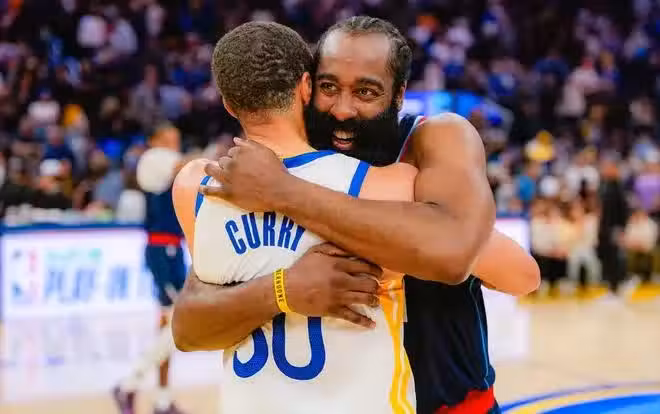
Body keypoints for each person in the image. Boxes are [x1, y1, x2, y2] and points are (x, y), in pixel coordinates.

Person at [175, 17, 539, 414]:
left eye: (366, 91)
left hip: (450, 401)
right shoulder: (272, 169)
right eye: (329, 87)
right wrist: (284, 290)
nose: (343, 110)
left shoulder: (430, 141)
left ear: (399, 95)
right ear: (307, 86)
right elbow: (191, 323)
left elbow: (511, 271)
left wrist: (285, 193)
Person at [173, 21, 419, 413]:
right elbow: (507, 270)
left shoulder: (194, 187)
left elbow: (196, 319)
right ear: (307, 87)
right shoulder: (387, 184)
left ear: (228, 105)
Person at [113, 124, 191, 414]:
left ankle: (162, 399)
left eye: (177, 139)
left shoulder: (169, 163)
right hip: (162, 250)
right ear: (154, 141)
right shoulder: (152, 159)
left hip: (173, 250)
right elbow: (186, 166)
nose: (174, 143)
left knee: (167, 325)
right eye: (169, 139)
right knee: (181, 319)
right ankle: (128, 383)